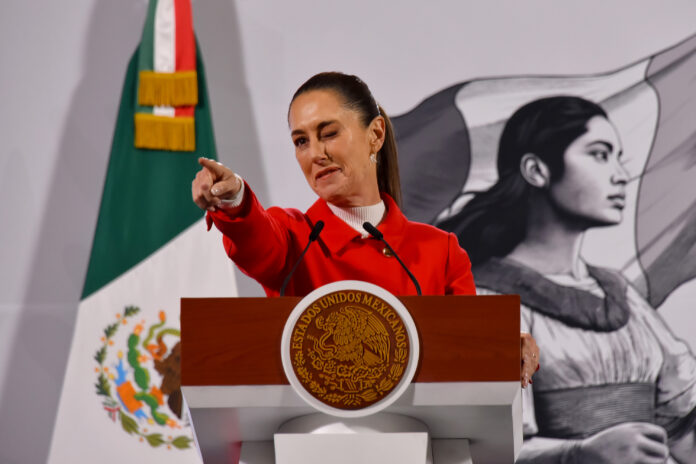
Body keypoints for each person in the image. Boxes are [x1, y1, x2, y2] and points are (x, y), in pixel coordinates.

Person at [191, 71, 539, 387]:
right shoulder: (294, 238)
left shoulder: (441, 251)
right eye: (301, 141)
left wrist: (500, 347)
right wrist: (234, 197)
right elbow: (256, 237)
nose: (315, 154)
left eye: (328, 134)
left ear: (375, 135)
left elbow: (469, 356)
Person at [439, 96, 696, 463]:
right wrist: (580, 453)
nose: (621, 175)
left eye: (618, 157)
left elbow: (684, 430)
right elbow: (474, 451)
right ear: (536, 170)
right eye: (599, 154)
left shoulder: (621, 296)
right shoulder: (482, 300)